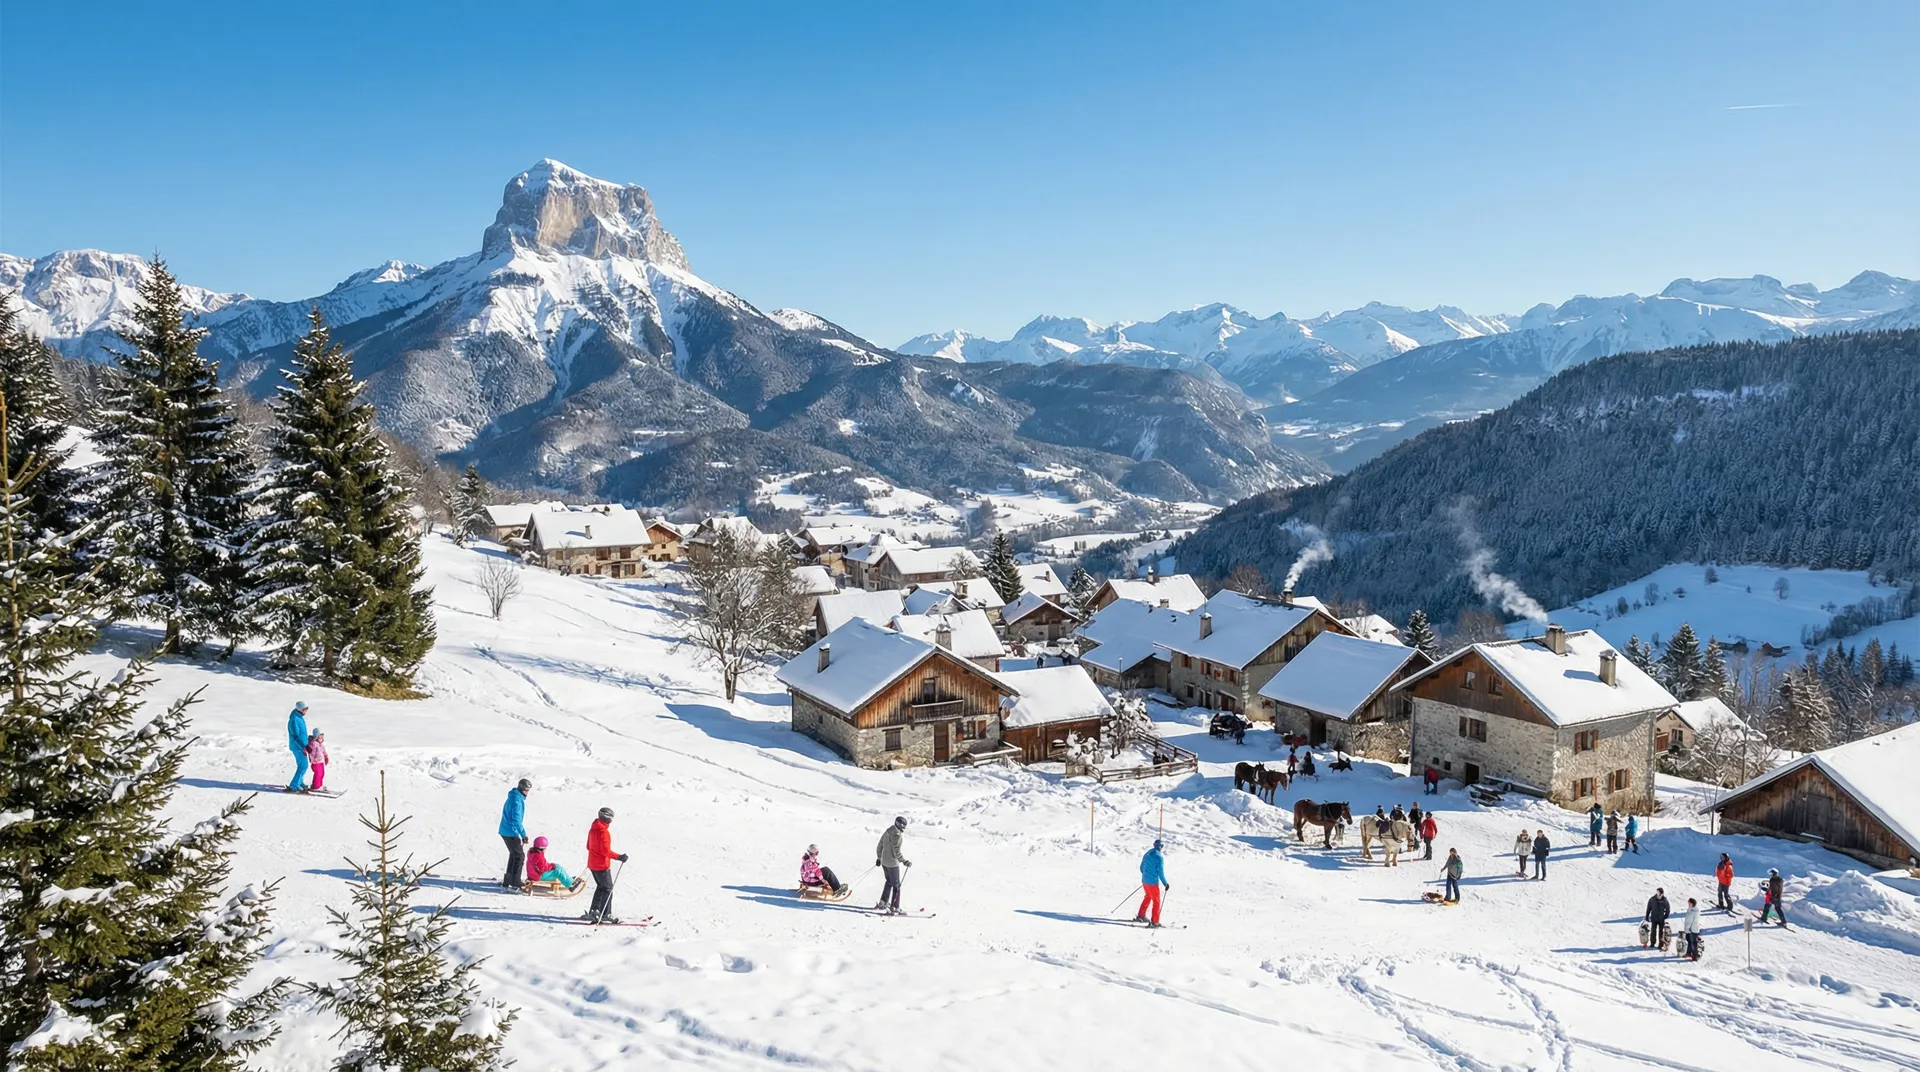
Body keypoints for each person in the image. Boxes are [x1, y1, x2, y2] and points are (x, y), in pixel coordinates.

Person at [585, 806, 629, 923]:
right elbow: (605, 851)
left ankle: (594, 911)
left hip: (592, 864)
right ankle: (606, 913)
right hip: (601, 865)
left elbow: (588, 846)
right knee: (608, 888)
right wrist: (619, 857)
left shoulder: (593, 828)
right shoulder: (603, 832)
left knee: (601, 887)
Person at [498, 777, 532, 891]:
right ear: (521, 788)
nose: (527, 792)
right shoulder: (516, 800)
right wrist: (523, 835)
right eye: (526, 790)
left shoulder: (515, 797)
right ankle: (515, 882)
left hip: (506, 830)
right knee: (519, 856)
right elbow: (516, 821)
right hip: (510, 831)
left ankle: (508, 880)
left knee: (514, 854)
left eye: (528, 790)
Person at [876, 816, 911, 915]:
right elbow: (896, 853)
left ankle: (883, 903)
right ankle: (895, 907)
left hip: (884, 862)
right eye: (903, 825)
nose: (903, 828)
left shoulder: (888, 831)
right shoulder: (897, 835)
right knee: (896, 885)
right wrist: (904, 861)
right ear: (899, 825)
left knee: (889, 882)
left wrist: (879, 858)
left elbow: (880, 845)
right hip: (892, 864)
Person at [1135, 839, 1171, 927]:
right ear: (1161, 847)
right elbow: (1160, 872)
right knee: (1156, 901)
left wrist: (1146, 876)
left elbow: (1141, 867)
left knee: (1148, 896)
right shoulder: (1159, 857)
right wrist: (1165, 883)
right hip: (1152, 883)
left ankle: (1141, 915)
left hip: (1144, 881)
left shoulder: (1148, 853)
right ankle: (1155, 921)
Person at [286, 701, 311, 791]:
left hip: (301, 745)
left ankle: (299, 782)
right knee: (303, 765)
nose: (306, 711)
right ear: (300, 709)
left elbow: (302, 733)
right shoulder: (294, 720)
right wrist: (303, 746)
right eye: (305, 709)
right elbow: (295, 735)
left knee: (302, 765)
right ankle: (294, 785)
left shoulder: (299, 717)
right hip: (297, 746)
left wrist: (308, 740)